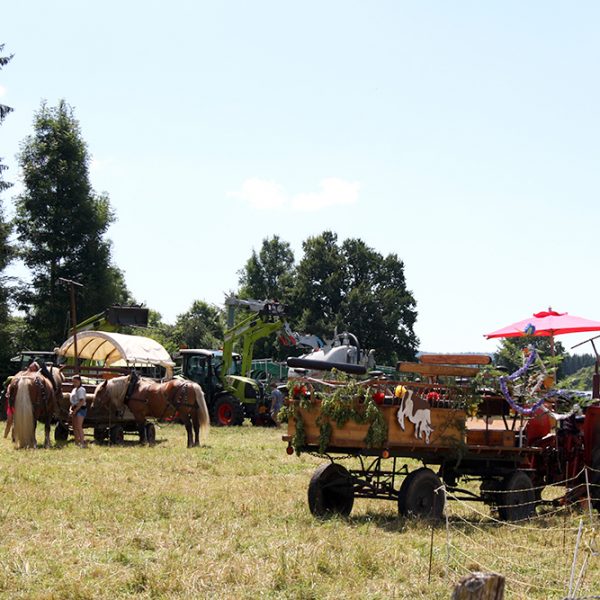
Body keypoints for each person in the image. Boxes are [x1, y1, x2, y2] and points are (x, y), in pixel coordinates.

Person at [69, 374, 87, 447]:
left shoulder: (81, 390)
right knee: (74, 426)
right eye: (73, 382)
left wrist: (76, 410)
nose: (74, 383)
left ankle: (82, 442)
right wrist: (71, 409)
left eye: (75, 382)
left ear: (79, 381)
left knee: (79, 426)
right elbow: (73, 401)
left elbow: (81, 401)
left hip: (80, 408)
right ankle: (77, 442)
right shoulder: (74, 389)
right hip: (74, 408)